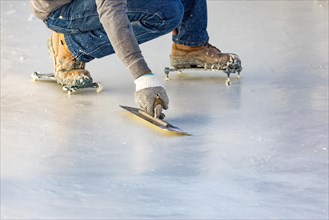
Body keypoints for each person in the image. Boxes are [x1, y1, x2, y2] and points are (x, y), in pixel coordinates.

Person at [30, 0, 241, 118]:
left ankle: (189, 45)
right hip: (62, 9)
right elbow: (111, 10)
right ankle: (71, 45)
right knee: (166, 12)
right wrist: (143, 78)